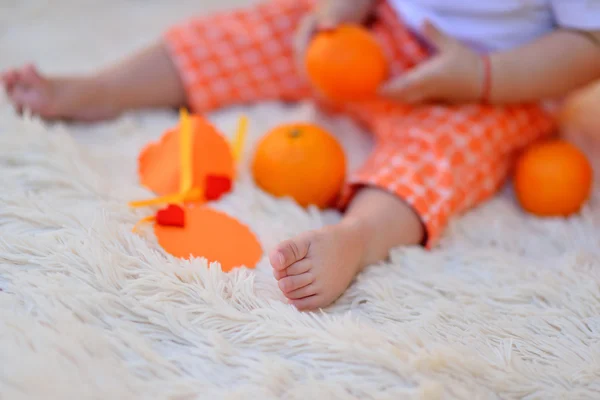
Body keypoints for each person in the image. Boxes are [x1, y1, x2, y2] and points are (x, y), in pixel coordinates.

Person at [2, 0, 600, 310]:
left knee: (443, 155)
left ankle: (359, 236)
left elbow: (586, 44)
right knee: (261, 31)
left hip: (500, 84)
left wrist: (481, 76)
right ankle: (103, 88)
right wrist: (339, 13)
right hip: (383, 32)